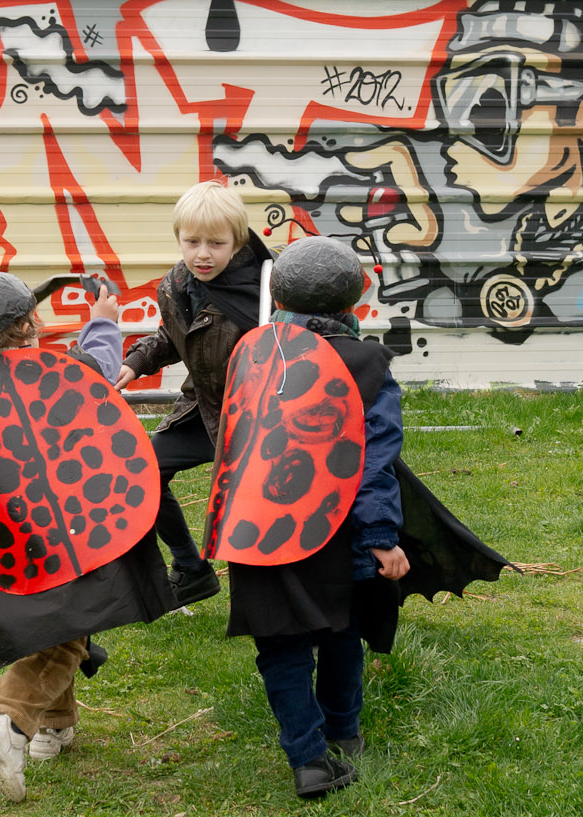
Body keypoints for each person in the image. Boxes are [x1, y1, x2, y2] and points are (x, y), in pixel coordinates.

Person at [0, 270, 173, 802]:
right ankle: (11, 719)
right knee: (70, 627)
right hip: (79, 536)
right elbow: (103, 367)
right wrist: (103, 323)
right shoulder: (67, 372)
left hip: (6, 556)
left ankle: (53, 729)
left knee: (57, 625)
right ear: (27, 327)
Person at [220, 236, 412, 798]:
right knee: (340, 631)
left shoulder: (252, 352)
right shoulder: (368, 362)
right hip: (335, 534)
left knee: (280, 643)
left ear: (276, 294)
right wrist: (380, 535)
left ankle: (307, 758)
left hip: (257, 529)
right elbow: (375, 457)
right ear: (355, 300)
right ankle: (344, 735)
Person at [115, 180, 277, 607]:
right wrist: (135, 362)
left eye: (215, 243)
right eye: (192, 242)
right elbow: (175, 335)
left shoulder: (265, 291)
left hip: (259, 421)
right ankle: (191, 568)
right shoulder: (178, 283)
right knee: (144, 472)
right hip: (204, 411)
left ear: (237, 241)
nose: (202, 253)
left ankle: (269, 600)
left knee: (252, 510)